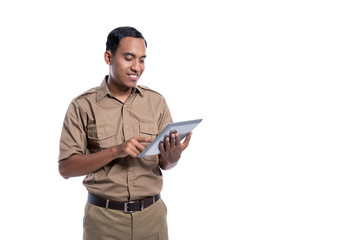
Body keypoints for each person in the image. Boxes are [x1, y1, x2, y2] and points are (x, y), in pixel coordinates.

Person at [58, 26, 192, 240]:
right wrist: (115, 151)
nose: (136, 67)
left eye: (142, 59)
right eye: (129, 58)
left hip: (152, 217)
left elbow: (165, 165)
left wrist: (173, 156)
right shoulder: (82, 106)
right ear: (108, 57)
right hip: (103, 221)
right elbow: (66, 168)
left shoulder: (156, 102)